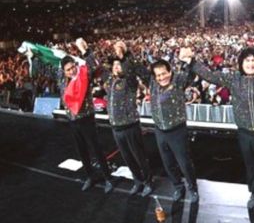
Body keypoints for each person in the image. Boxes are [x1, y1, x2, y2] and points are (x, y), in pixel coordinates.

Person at [179, 46, 254, 211]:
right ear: (241, 63)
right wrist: (192, 62)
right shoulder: (233, 79)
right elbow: (210, 75)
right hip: (245, 133)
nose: (250, 64)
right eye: (247, 60)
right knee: (250, 166)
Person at [24, 38, 115, 193]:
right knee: (82, 150)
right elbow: (44, 69)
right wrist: (32, 55)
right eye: (68, 69)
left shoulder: (84, 74)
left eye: (73, 67)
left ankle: (108, 178)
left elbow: (94, 65)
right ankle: (90, 176)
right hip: (72, 120)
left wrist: (85, 50)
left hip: (87, 118)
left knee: (96, 148)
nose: (72, 71)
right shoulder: (60, 77)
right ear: (63, 70)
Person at [135, 52, 197, 203]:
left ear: (170, 71)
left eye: (164, 73)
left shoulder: (178, 81)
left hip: (177, 131)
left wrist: (189, 60)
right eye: (158, 75)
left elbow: (190, 73)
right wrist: (126, 54)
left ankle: (192, 188)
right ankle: (178, 187)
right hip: (160, 131)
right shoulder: (152, 83)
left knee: (184, 163)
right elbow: (137, 68)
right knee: (168, 163)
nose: (161, 77)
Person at [98, 40, 153, 196]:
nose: (117, 67)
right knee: (127, 158)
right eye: (114, 65)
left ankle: (148, 182)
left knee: (139, 156)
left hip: (130, 126)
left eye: (119, 65)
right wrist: (86, 51)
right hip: (116, 127)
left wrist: (124, 55)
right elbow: (98, 67)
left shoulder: (130, 81)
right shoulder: (109, 81)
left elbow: (132, 67)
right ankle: (138, 181)